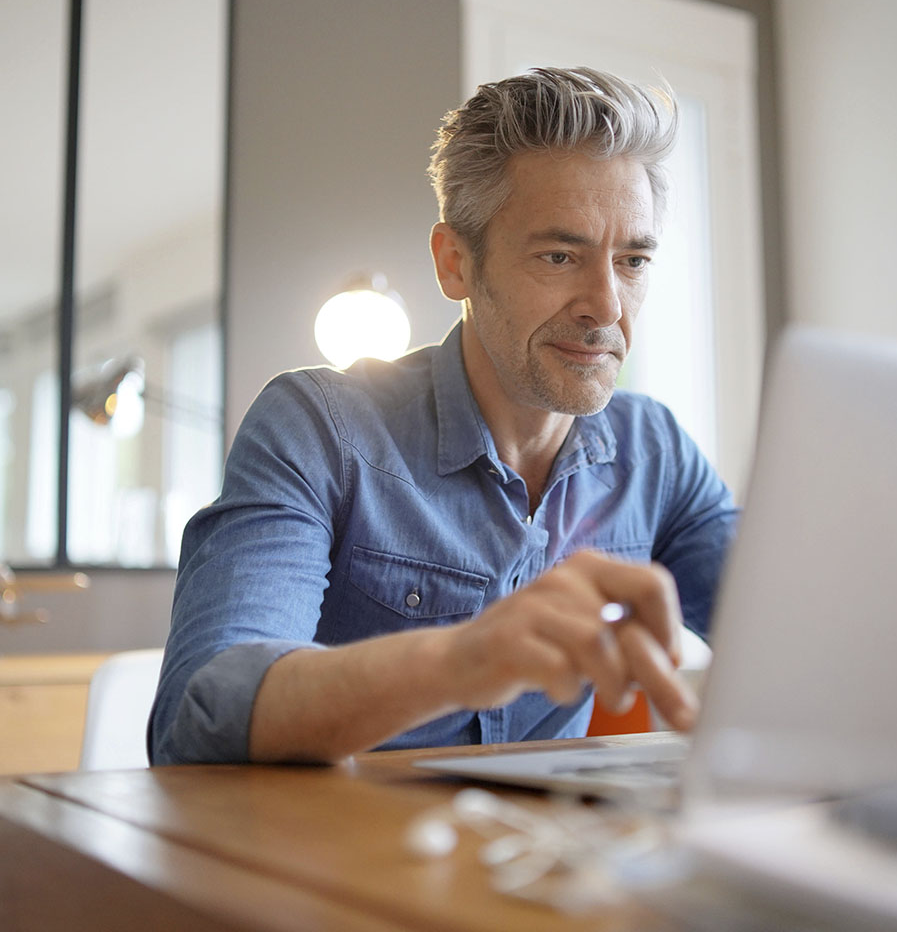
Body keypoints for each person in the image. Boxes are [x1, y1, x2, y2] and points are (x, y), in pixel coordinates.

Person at [149, 67, 738, 766]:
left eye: (633, 260)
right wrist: (461, 661)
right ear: (455, 262)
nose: (606, 307)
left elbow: (799, 645)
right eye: (559, 255)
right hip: (343, 859)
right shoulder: (319, 428)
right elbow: (198, 721)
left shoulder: (656, 452)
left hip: (542, 863)